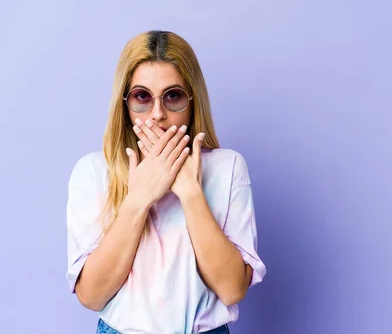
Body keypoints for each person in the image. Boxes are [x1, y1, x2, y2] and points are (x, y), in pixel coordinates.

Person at [65, 30, 266, 334]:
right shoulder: (93, 171)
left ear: (191, 100)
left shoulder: (227, 168)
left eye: (172, 96)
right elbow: (91, 296)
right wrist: (138, 199)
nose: (157, 114)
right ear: (125, 104)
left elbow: (232, 290)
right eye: (142, 96)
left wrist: (190, 192)